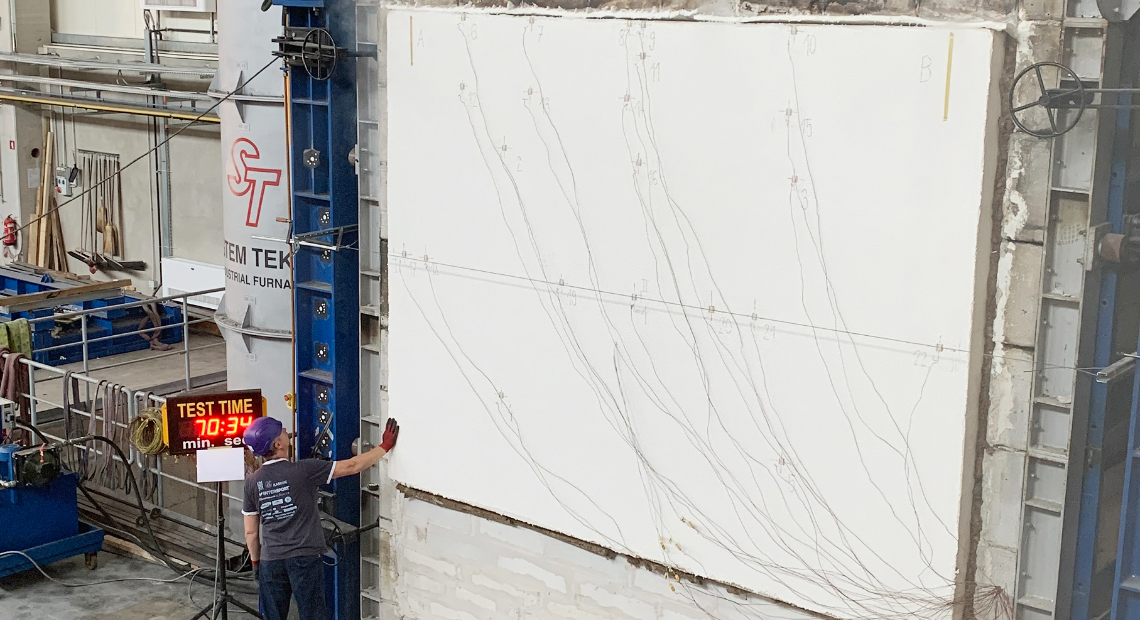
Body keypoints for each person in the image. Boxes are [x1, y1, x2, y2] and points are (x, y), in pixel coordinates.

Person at [241, 416, 400, 620]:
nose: (286, 430)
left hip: (271, 562)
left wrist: (256, 563)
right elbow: (352, 466)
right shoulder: (304, 470)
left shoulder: (252, 482)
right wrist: (384, 446)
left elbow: (251, 531)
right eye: (281, 430)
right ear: (278, 444)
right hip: (304, 560)